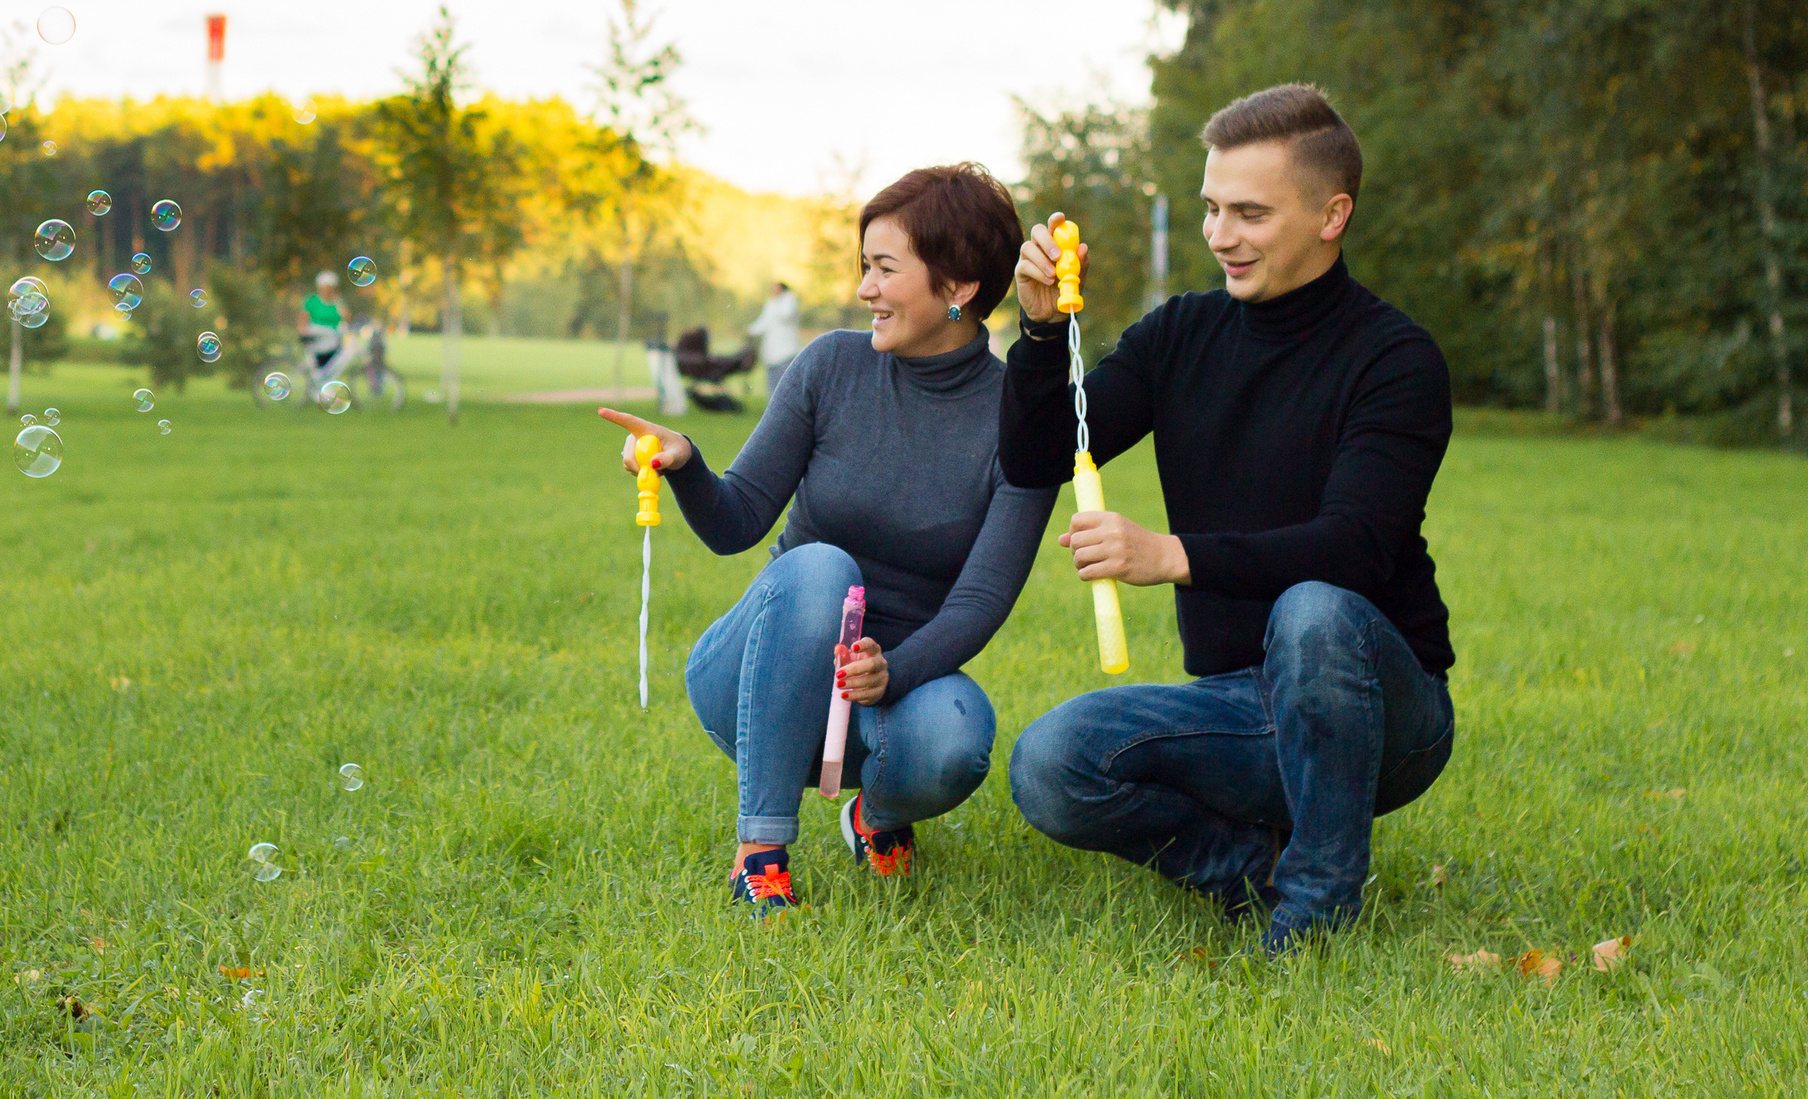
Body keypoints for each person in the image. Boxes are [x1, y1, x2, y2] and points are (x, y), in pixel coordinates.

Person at [999, 84, 1455, 954]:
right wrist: (1038, 331)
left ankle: (1318, 915)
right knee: (1052, 763)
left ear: (1332, 214)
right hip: (1239, 706)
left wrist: (1169, 554)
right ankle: (1250, 874)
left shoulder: (1395, 359)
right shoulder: (1181, 333)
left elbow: (1353, 547)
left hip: (1380, 711)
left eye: (1249, 212)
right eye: (1211, 208)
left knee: (1313, 609)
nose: (1219, 235)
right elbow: (1038, 455)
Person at [600, 165, 1056, 916]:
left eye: (884, 268)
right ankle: (761, 853)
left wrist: (894, 669)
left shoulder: (1018, 417)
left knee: (958, 736)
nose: (864, 289)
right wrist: (685, 461)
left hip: (894, 687)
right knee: (822, 568)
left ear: (960, 285)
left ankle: (872, 815)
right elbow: (736, 520)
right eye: (863, 266)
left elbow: (982, 599)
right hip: (760, 676)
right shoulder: (831, 367)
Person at [744, 279, 802, 397]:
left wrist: (776, 302)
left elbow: (786, 315)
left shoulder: (789, 299)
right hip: (772, 350)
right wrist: (751, 330)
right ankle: (772, 407)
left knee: (786, 381)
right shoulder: (771, 303)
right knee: (772, 382)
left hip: (786, 350)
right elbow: (764, 321)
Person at [303, 269, 346, 372]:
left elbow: (346, 317)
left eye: (330, 287)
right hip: (317, 336)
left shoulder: (337, 302)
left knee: (331, 365)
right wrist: (303, 331)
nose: (327, 290)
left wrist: (339, 303)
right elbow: (303, 318)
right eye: (325, 287)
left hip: (333, 337)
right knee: (317, 366)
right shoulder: (312, 300)